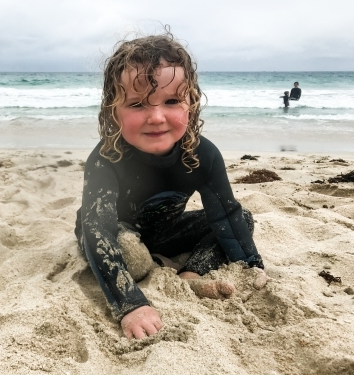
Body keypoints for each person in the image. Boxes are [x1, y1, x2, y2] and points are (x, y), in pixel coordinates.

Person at [74, 31, 267, 340]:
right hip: (115, 230)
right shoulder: (106, 158)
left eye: (172, 100)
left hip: (165, 232)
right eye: (137, 104)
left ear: (191, 102)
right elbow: (98, 228)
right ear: (113, 109)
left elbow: (224, 215)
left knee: (242, 217)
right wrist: (131, 304)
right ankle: (142, 267)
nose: (157, 117)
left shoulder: (203, 154)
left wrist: (251, 265)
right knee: (131, 257)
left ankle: (191, 273)